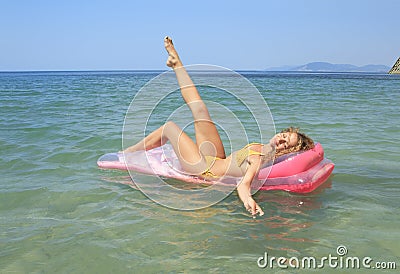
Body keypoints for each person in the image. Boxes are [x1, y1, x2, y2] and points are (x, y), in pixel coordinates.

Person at [124, 37, 314, 216]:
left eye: (286, 143)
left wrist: (248, 201)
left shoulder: (259, 160)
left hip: (203, 169)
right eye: (285, 135)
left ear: (286, 152)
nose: (281, 139)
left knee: (170, 128)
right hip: (215, 157)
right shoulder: (262, 148)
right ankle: (176, 63)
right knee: (200, 110)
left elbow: (244, 185)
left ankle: (127, 154)